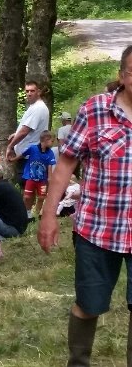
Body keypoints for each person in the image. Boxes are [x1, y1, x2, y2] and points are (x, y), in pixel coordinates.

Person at [39, 45, 132, 366]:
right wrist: (48, 215)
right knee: (89, 304)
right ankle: (78, 362)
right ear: (122, 76)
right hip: (98, 229)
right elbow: (65, 165)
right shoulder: (94, 111)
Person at [5, 80, 50, 187]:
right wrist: (15, 134)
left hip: (30, 156)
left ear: (38, 92)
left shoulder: (38, 108)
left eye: (32, 91)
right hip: (26, 156)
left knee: (27, 188)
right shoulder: (33, 106)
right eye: (27, 91)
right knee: (25, 186)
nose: (29, 93)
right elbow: (28, 128)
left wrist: (10, 146)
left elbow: (25, 131)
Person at [10, 130, 56, 219]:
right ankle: (26, 213)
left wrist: (50, 178)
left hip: (42, 180)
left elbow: (50, 166)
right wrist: (14, 159)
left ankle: (36, 214)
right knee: (27, 197)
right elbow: (23, 155)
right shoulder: (33, 148)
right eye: (52, 141)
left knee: (41, 198)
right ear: (46, 140)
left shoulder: (50, 153)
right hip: (30, 178)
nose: (53, 143)